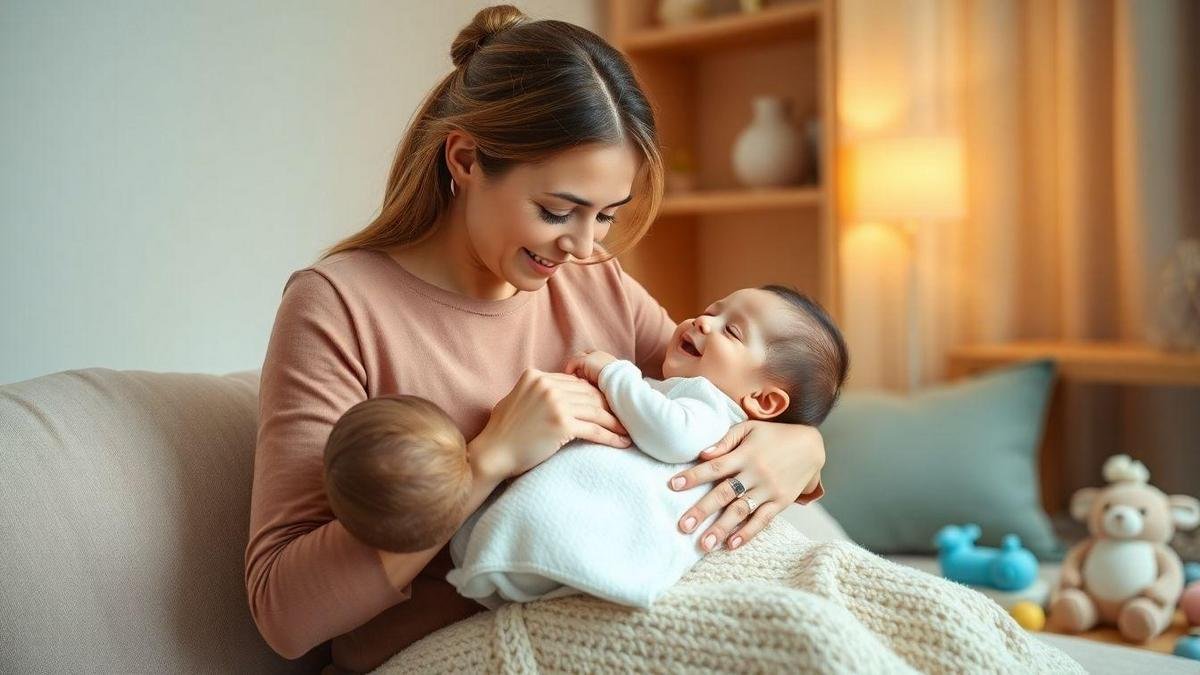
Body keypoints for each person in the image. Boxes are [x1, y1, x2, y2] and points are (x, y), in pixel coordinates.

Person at [244, 5, 827, 672]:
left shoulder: (594, 282)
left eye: (606, 215)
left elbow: (732, 402)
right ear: (464, 159)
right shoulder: (338, 306)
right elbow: (285, 613)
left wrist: (803, 446)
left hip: (619, 625)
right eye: (557, 211)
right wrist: (487, 457)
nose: (582, 245)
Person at [445, 285, 849, 609]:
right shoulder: (679, 389)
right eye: (712, 310)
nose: (703, 323)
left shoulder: (711, 405)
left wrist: (613, 371)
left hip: (562, 545)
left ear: (763, 402)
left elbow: (673, 435)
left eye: (732, 331)